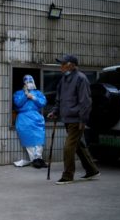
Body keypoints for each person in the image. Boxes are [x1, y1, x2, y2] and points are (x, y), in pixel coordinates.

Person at [47, 54, 100, 185]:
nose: (61, 67)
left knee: (68, 147)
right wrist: (54, 111)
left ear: (71, 65)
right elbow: (59, 99)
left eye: (63, 64)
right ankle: (92, 170)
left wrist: (83, 120)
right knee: (78, 145)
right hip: (67, 118)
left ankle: (68, 175)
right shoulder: (63, 80)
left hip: (77, 119)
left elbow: (85, 102)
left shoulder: (81, 79)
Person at [13, 75, 48, 169]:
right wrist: (25, 95)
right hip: (24, 118)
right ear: (24, 83)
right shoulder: (18, 93)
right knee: (29, 139)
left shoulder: (38, 93)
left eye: (31, 81)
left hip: (36, 117)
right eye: (27, 82)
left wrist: (33, 97)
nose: (29, 84)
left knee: (39, 138)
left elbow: (43, 102)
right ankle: (34, 160)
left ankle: (39, 158)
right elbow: (17, 103)